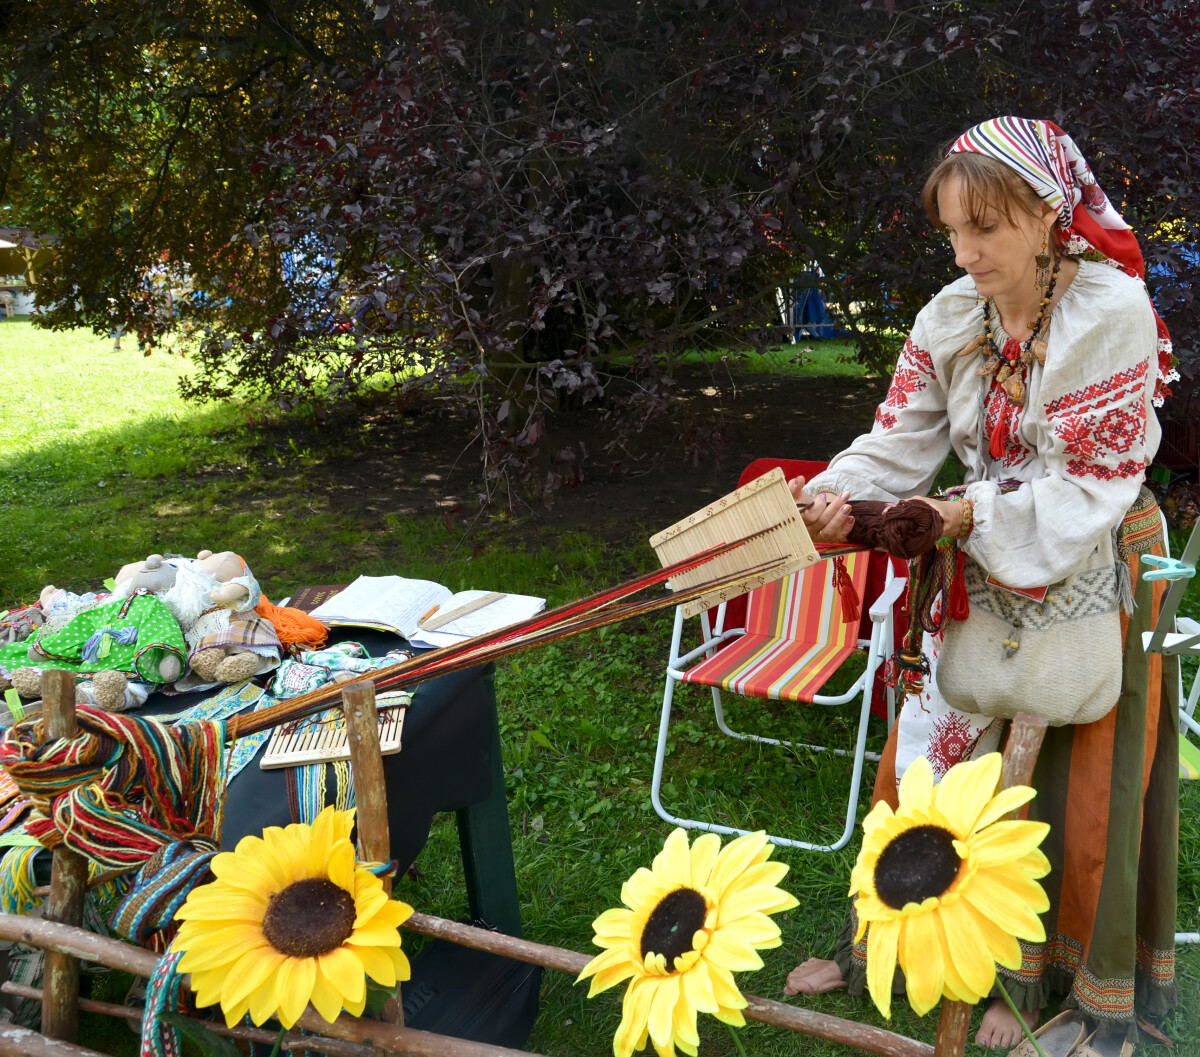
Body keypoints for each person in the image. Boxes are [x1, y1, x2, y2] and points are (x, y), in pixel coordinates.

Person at [782, 117, 1179, 1055]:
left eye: (986, 229)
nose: (966, 253)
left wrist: (966, 515)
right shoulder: (952, 315)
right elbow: (901, 438)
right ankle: (897, 936)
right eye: (953, 231)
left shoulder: (1110, 312)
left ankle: (1026, 982)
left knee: (1055, 785)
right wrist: (838, 490)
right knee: (933, 749)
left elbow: (1088, 481)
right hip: (974, 556)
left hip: (1089, 565)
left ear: (1047, 216)